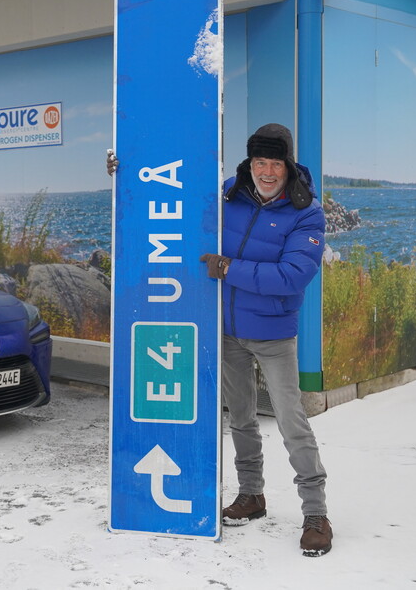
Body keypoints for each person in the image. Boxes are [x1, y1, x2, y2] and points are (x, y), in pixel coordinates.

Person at [107, 123, 332, 556]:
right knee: (241, 418)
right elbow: (166, 200)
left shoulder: (307, 212)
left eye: (275, 163)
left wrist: (229, 268)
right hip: (225, 332)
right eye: (260, 162)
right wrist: (125, 172)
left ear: (288, 166)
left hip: (272, 335)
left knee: (291, 422)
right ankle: (252, 495)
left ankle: (316, 513)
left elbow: (292, 276)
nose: (267, 172)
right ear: (250, 163)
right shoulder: (228, 193)